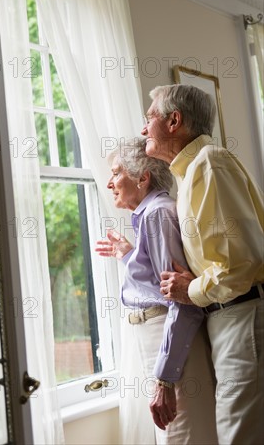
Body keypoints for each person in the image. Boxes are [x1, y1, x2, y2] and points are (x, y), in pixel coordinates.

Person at [141, 84, 264, 445]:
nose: (144, 128)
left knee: (239, 436)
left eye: (149, 118)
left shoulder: (209, 163)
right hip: (229, 318)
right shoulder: (193, 171)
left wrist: (188, 289)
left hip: (241, 316)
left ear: (174, 121)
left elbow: (242, 262)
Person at [96, 137, 217, 445]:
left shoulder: (157, 215)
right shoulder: (151, 215)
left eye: (116, 173)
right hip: (157, 340)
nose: (110, 183)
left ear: (143, 177)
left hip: (168, 339)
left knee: (181, 435)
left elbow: (181, 302)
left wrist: (165, 378)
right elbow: (158, 283)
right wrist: (128, 254)